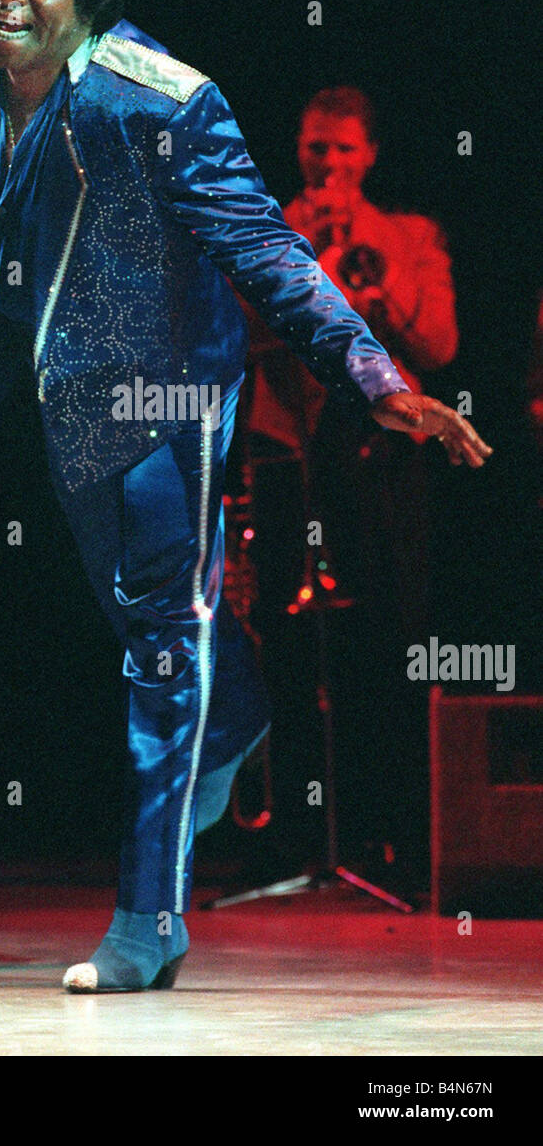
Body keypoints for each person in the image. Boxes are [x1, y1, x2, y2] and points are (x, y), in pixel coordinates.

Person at [0, 0, 491, 992]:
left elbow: (268, 248)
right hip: (62, 388)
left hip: (167, 393)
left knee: (159, 636)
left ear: (89, 2)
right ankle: (236, 709)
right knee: (153, 628)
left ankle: (147, 919)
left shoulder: (165, 101)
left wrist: (369, 374)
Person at [243, 88, 460, 873]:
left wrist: (368, 276)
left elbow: (436, 344)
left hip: (380, 463)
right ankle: (293, 839)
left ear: (368, 156)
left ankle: (389, 834)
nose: (327, 163)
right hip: (290, 451)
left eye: (341, 150)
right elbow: (234, 333)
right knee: (288, 639)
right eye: (313, 148)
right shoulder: (267, 230)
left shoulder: (409, 236)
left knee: (388, 640)